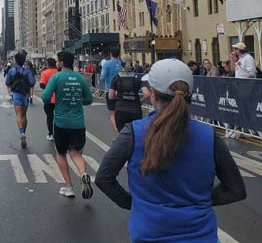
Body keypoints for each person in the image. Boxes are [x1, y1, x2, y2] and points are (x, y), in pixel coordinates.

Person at [95, 58, 246, 243]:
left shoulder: (134, 133)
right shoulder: (208, 136)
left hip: (149, 234)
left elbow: (103, 178)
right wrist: (201, 201)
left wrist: (133, 203)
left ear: (153, 95)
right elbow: (236, 189)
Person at [42, 51, 94, 199]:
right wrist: (76, 101)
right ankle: (83, 173)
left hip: (61, 122)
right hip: (78, 123)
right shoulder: (81, 78)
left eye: (58, 61)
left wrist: (59, 101)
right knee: (76, 153)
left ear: (62, 62)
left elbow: (45, 97)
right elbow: (89, 100)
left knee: (60, 153)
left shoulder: (56, 77)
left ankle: (69, 186)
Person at [108, 57, 148, 133]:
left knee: (122, 134)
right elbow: (147, 94)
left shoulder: (117, 77)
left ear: (121, 64)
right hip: (135, 110)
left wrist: (119, 96)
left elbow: (111, 96)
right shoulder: (137, 77)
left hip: (121, 110)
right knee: (136, 134)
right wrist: (140, 101)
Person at [5, 52, 35, 148]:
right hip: (25, 95)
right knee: (24, 115)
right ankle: (23, 132)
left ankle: (21, 133)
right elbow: (32, 82)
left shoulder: (11, 70)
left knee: (18, 115)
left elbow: (7, 82)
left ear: (16, 61)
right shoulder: (28, 71)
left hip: (17, 94)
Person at [101, 44, 124, 133]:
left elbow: (102, 77)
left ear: (110, 54)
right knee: (120, 113)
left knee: (112, 114)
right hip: (121, 90)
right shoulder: (122, 63)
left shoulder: (107, 64)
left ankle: (118, 133)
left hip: (110, 90)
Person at [39, 57, 59, 141]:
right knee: (59, 116)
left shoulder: (45, 73)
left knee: (49, 117)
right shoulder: (59, 72)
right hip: (59, 98)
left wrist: (49, 88)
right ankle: (59, 133)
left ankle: (51, 133)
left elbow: (42, 84)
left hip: (49, 98)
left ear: (48, 64)